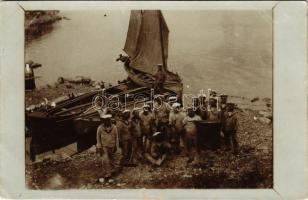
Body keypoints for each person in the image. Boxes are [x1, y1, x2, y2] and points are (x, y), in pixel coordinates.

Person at [96, 114, 121, 179]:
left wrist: (116, 146)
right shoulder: (100, 128)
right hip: (104, 147)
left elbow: (116, 137)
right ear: (103, 121)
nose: (108, 121)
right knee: (105, 160)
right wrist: (99, 148)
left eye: (109, 120)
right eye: (106, 120)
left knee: (112, 159)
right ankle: (107, 173)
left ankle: (113, 170)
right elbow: (98, 139)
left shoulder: (114, 127)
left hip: (112, 146)